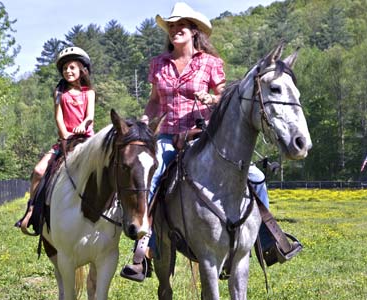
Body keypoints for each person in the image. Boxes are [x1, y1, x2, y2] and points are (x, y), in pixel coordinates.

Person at [120, 2, 301, 282]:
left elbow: (223, 97)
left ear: (194, 31)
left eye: (181, 25)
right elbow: (155, 101)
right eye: (171, 26)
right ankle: (143, 250)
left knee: (257, 177)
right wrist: (145, 120)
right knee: (152, 180)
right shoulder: (158, 64)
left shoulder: (211, 63)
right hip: (168, 135)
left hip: (203, 133)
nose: (175, 30)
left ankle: (268, 241)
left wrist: (211, 99)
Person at [16, 46, 95, 235]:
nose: (68, 71)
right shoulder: (60, 93)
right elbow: (58, 117)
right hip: (65, 140)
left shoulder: (88, 93)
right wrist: (65, 135)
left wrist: (83, 125)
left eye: (72, 67)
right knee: (38, 170)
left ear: (82, 70)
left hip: (86, 141)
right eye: (65, 68)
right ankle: (32, 210)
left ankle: (115, 210)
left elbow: (90, 116)